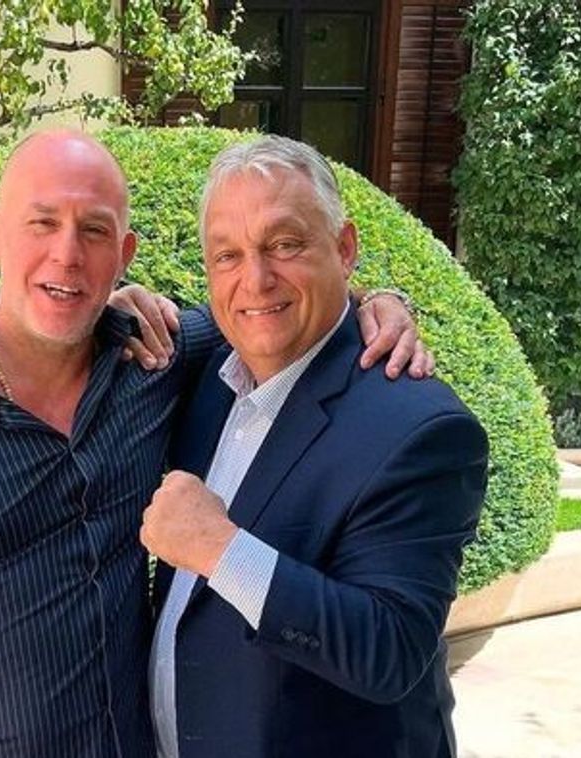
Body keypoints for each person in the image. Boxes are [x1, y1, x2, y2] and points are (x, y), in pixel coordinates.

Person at [0, 129, 427, 758]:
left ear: (123, 253)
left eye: (93, 231)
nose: (67, 254)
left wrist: (378, 302)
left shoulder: (156, 357)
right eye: (42, 223)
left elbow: (270, 303)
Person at [140, 135, 489, 758]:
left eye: (285, 244)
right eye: (228, 255)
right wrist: (118, 308)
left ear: (345, 248)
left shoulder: (421, 429)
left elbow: (390, 649)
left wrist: (220, 550)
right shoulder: (210, 373)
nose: (255, 279)